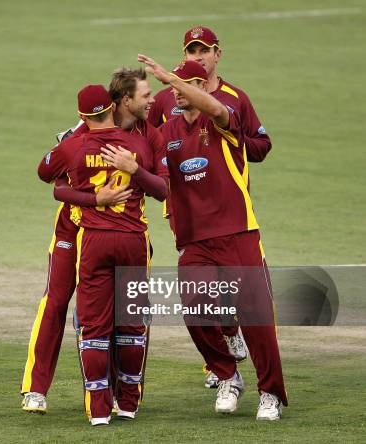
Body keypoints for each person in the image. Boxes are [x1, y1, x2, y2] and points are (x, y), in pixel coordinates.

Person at [130, 55, 286, 420]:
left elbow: (216, 108)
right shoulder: (166, 133)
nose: (176, 93)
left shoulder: (222, 120)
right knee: (195, 309)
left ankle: (270, 394)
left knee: (257, 319)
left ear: (201, 87)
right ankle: (228, 375)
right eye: (172, 87)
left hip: (237, 230)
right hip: (195, 239)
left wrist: (176, 79)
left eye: (185, 86)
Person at [21, 68, 166, 415]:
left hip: (124, 234)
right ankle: (36, 389)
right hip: (74, 230)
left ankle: (121, 395)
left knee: (127, 314)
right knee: (56, 302)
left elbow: (162, 188)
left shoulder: (150, 135)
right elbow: (52, 177)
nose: (153, 101)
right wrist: (93, 200)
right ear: (123, 102)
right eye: (146, 96)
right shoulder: (85, 130)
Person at [148, 26, 272, 387]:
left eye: (204, 50)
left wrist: (228, 144)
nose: (197, 56)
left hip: (229, 209)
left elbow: (263, 146)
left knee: (236, 289)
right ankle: (220, 368)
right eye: (191, 51)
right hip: (184, 208)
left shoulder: (235, 99)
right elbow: (142, 127)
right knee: (201, 290)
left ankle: (232, 336)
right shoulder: (169, 98)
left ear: (218, 53)